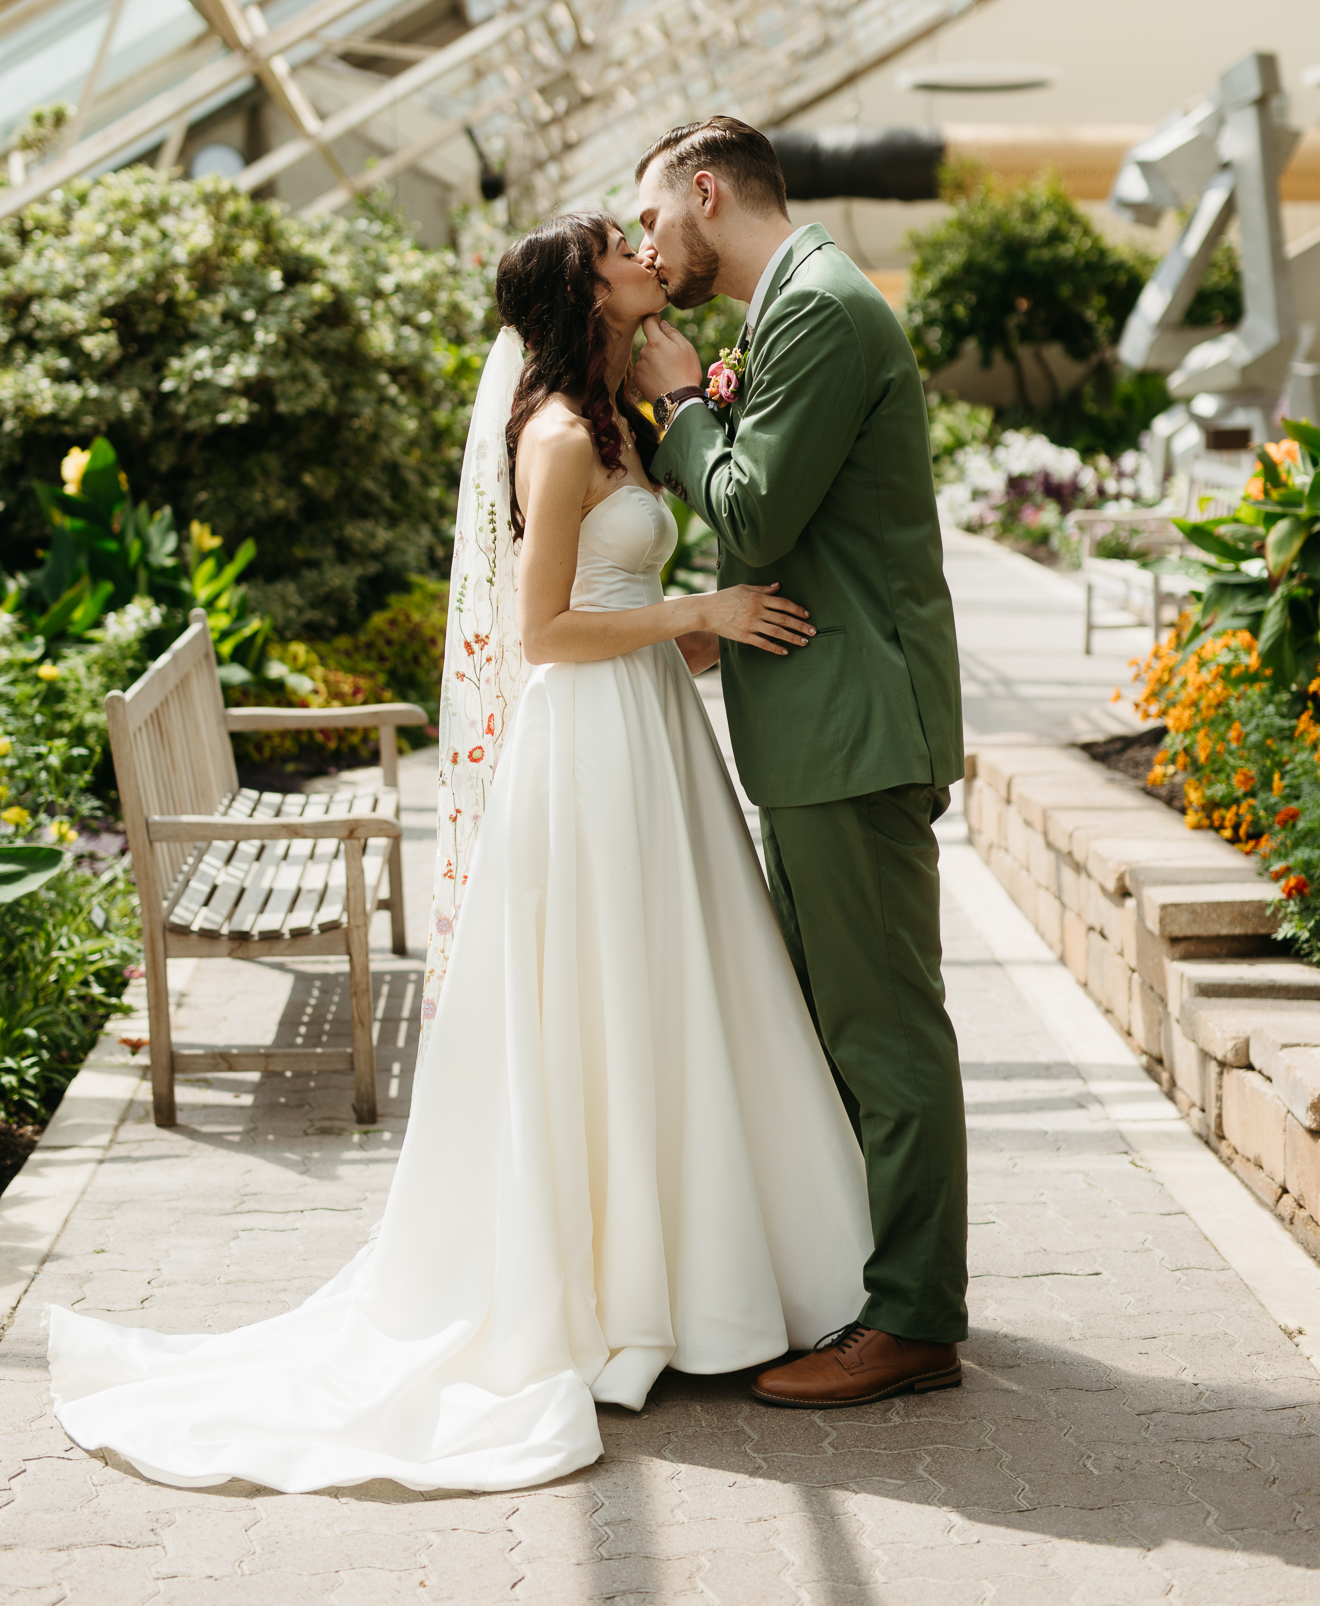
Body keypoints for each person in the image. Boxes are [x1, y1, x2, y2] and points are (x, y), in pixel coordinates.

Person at [47, 210, 872, 1496]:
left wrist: (677, 630)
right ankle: (618, 1291)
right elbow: (543, 630)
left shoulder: (615, 417)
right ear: (579, 292)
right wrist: (694, 608)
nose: (640, 255)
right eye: (617, 250)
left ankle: (707, 1275)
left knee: (674, 990)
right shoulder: (551, 434)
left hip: (649, 734)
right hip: (589, 750)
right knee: (607, 995)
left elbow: (608, 597)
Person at [630, 116, 969, 1410]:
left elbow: (758, 505)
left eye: (654, 218)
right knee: (840, 1025)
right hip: (819, 720)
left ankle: (914, 1318)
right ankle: (865, 1287)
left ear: (707, 194)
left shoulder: (818, 307)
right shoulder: (794, 306)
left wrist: (672, 403)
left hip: (851, 725)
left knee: (882, 1032)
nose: (651, 248)